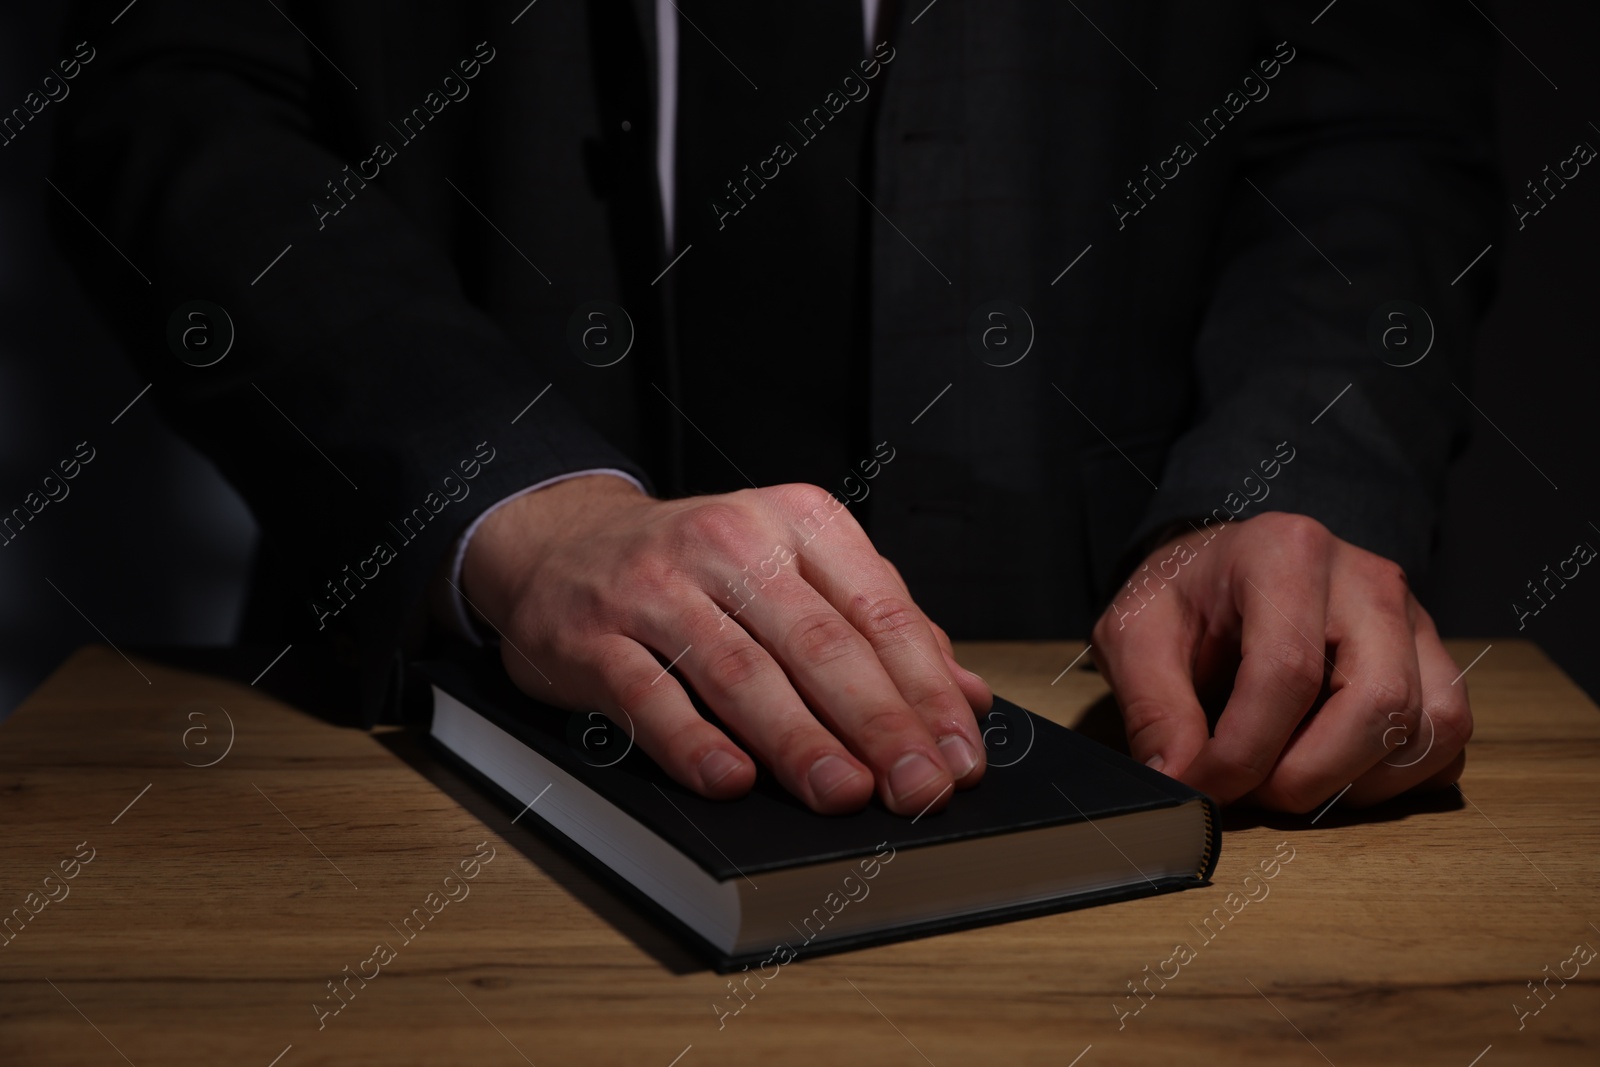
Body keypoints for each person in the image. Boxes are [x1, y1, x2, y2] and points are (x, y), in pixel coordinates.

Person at [52, 0, 1498, 818]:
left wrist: (1282, 479)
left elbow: (1372, 112)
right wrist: (504, 495)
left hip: (1105, 723)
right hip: (427, 753)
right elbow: (177, 96)